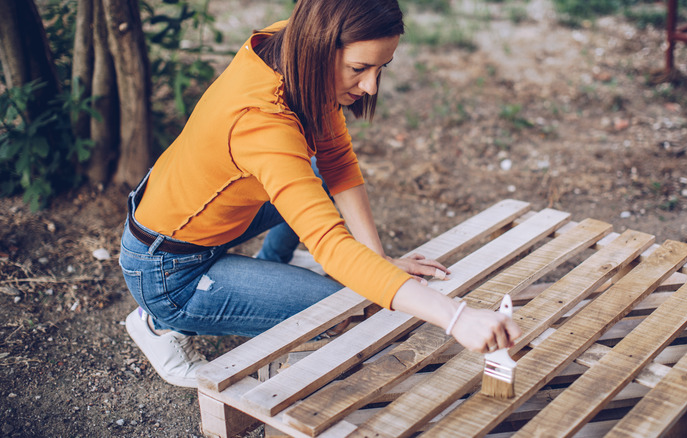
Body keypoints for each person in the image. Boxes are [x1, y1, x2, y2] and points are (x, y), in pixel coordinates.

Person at [119, 0, 522, 388]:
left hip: (205, 219)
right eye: (359, 68)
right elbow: (331, 244)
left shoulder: (289, 47)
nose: (370, 85)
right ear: (319, 47)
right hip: (169, 270)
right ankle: (162, 323)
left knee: (313, 174)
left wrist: (378, 261)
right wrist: (458, 319)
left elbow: (338, 164)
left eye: (382, 67)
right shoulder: (261, 123)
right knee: (342, 311)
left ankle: (268, 266)